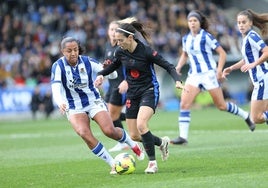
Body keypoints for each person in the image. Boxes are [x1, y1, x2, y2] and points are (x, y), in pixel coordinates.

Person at [94, 21, 184, 174]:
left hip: (149, 90)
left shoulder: (146, 51)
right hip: (132, 93)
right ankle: (162, 143)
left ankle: (152, 163)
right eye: (116, 40)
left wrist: (177, 80)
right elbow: (113, 66)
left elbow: (168, 65)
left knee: (142, 125)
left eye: (120, 40)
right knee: (135, 135)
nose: (118, 43)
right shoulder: (120, 52)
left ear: (130, 38)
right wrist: (101, 75)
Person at [50, 37, 144, 175]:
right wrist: (60, 102)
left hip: (93, 101)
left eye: (75, 50)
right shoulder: (57, 66)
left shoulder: (87, 61)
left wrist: (106, 71)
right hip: (74, 106)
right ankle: (113, 164)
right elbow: (55, 88)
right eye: (69, 51)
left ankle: (133, 144)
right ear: (62, 51)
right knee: (84, 133)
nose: (73, 53)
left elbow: (113, 74)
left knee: (109, 131)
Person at [170, 10, 255, 145]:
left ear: (199, 23)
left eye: (195, 21)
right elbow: (185, 55)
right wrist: (179, 67)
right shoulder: (186, 38)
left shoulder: (206, 37)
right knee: (184, 104)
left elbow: (222, 53)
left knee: (221, 105)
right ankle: (183, 137)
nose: (192, 23)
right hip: (194, 76)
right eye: (190, 21)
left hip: (209, 74)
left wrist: (219, 70)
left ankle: (246, 115)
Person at [223, 9, 268, 125]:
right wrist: (231, 68)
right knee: (263, 113)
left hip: (262, 78)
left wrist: (254, 64)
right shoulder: (246, 38)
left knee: (256, 118)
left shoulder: (252, 36)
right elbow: (246, 60)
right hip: (261, 78)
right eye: (239, 22)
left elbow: (266, 51)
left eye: (244, 22)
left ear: (251, 23)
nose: (241, 25)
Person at [103, 20, 129, 152]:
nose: (113, 32)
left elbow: (130, 67)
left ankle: (123, 142)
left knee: (112, 117)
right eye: (111, 29)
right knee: (109, 114)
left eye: (115, 30)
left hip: (120, 86)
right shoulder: (108, 46)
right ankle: (132, 116)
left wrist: (126, 81)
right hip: (111, 85)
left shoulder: (121, 48)